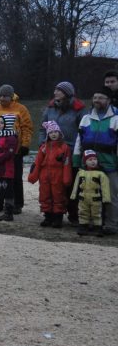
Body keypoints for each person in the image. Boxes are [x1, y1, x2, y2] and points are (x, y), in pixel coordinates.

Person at [37, 81, 85, 224]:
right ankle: (50, 214)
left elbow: (82, 130)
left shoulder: (78, 110)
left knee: (69, 184)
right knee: (50, 183)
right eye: (55, 89)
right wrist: (41, 144)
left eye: (59, 90)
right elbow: (42, 129)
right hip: (50, 150)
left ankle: (73, 214)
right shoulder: (50, 109)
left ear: (67, 93)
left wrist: (77, 150)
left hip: (70, 150)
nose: (55, 92)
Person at [72, 87, 118, 236]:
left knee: (111, 195)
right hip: (88, 164)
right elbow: (79, 140)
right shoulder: (86, 118)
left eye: (101, 97)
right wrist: (76, 160)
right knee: (89, 193)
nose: (97, 100)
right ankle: (89, 222)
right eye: (95, 97)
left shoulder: (116, 118)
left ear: (109, 100)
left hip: (109, 162)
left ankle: (111, 224)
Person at [0, 84, 32, 213]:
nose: (2, 98)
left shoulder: (21, 109)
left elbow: (27, 128)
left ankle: (16, 204)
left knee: (14, 177)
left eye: (5, 96)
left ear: (11, 96)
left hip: (14, 149)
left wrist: (25, 145)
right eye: (0, 96)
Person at [28, 121, 72, 228]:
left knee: (58, 196)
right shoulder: (43, 147)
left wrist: (66, 178)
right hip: (45, 176)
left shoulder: (64, 147)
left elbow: (67, 163)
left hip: (58, 175)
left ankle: (58, 219)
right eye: (51, 132)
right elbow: (37, 162)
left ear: (60, 133)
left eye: (56, 131)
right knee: (45, 195)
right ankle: (48, 217)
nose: (53, 134)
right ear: (48, 134)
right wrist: (33, 175)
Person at [71, 150, 111, 236]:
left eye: (94, 159)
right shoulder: (81, 172)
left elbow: (105, 187)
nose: (93, 161)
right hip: (83, 197)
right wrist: (73, 195)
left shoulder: (101, 174)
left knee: (97, 213)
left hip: (96, 197)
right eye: (90, 160)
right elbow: (76, 185)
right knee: (82, 212)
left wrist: (106, 198)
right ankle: (83, 226)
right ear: (85, 162)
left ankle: (98, 228)